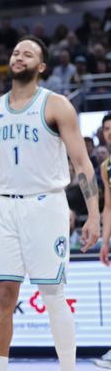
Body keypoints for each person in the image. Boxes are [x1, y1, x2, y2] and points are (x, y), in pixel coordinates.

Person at [0, 37, 101, 371]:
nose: (19, 56)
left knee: (53, 294)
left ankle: (68, 368)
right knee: (3, 295)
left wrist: (94, 216)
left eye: (28, 54)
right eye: (15, 52)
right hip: (5, 207)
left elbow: (83, 163)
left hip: (47, 205)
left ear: (41, 66)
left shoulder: (56, 105)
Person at [96, 115, 111, 369]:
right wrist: (105, 241)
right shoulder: (105, 165)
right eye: (107, 129)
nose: (110, 132)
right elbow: (108, 207)